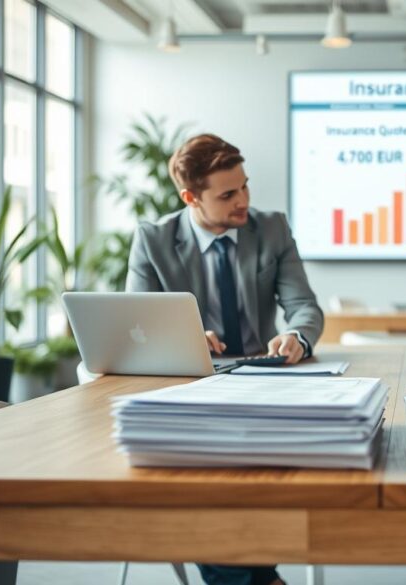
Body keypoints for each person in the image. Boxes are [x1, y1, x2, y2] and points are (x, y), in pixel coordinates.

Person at [127, 133, 325, 585]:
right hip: (190, 388)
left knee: (226, 477)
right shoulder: (154, 239)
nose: (244, 201)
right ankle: (263, 578)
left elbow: (305, 307)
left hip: (265, 382)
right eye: (228, 194)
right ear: (190, 197)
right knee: (200, 474)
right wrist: (184, 335)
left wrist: (295, 334)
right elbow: (136, 323)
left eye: (246, 187)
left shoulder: (270, 227)